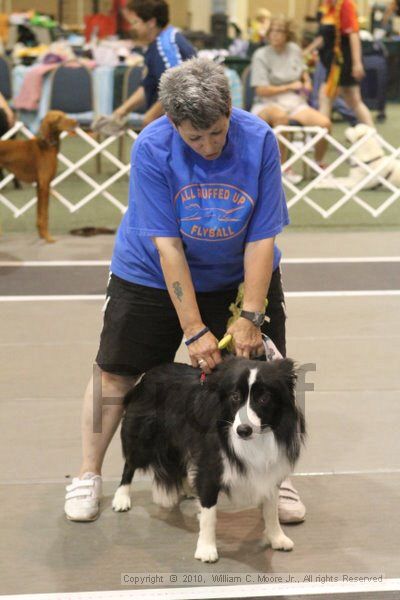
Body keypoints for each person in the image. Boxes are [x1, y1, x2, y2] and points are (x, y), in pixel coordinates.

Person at [64, 58, 305, 525]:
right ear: (173, 123)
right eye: (195, 137)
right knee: (115, 373)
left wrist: (250, 315)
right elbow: (168, 247)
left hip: (237, 271)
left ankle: (277, 478)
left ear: (230, 111)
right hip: (150, 273)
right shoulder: (152, 147)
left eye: (216, 131)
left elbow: (262, 235)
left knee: (267, 376)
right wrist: (193, 330)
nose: (209, 146)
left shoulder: (259, 140)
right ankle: (88, 473)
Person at [250, 16, 331, 174]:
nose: (275, 34)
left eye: (279, 31)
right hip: (267, 102)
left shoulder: (294, 49)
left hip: (295, 102)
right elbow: (260, 90)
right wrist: (289, 86)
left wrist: (306, 82)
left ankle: (317, 164)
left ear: (287, 34)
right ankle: (283, 168)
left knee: (325, 124)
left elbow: (303, 73)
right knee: (281, 118)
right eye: (272, 31)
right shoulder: (260, 54)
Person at [112, 0, 196, 127]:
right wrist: (121, 111)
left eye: (135, 22)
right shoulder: (156, 44)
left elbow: (176, 89)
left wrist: (150, 118)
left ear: (151, 22)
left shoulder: (166, 47)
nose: (132, 27)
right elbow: (148, 85)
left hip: (183, 123)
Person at [317, 0, 374, 128]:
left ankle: (320, 137)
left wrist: (357, 63)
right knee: (353, 100)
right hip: (332, 62)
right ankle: (372, 134)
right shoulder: (326, 6)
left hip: (343, 62)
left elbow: (354, 34)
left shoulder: (345, 4)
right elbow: (322, 37)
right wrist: (306, 52)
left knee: (325, 96)